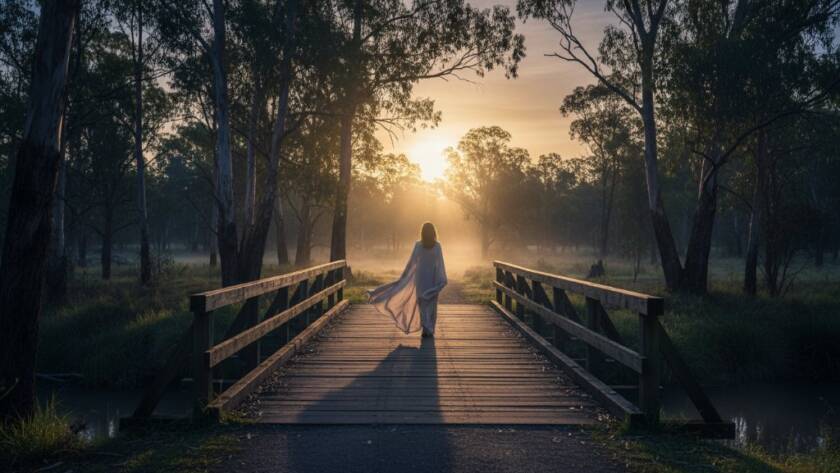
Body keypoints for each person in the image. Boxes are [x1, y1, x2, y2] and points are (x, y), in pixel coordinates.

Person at [368, 222, 448, 337]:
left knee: (422, 303)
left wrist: (404, 276)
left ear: (422, 233)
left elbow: (412, 262)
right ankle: (430, 328)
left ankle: (426, 328)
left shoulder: (418, 245)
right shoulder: (437, 246)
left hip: (421, 278)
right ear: (434, 232)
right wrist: (440, 278)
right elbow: (439, 263)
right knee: (431, 303)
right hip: (433, 277)